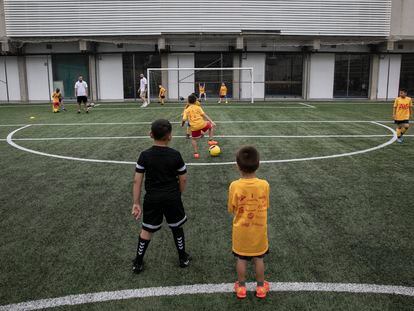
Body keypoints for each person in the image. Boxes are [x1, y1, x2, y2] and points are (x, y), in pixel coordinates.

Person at [131, 119, 191, 274]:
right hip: (172, 197)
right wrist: (178, 193)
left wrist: (136, 202)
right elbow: (183, 178)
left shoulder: (144, 155)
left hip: (152, 198)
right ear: (170, 136)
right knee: (176, 226)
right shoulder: (175, 155)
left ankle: (138, 262)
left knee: (147, 229)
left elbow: (137, 180)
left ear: (151, 134)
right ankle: (183, 258)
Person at [228, 146, 270, 299]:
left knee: (241, 258)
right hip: (259, 231)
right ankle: (260, 288)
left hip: (241, 232)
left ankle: (241, 287)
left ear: (238, 166)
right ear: (258, 164)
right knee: (259, 258)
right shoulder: (264, 184)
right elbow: (266, 205)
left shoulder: (235, 186)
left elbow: (231, 208)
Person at [181, 94, 218, 159]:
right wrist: (211, 121)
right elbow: (204, 115)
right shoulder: (198, 107)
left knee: (193, 139)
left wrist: (182, 124)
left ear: (188, 101)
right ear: (195, 101)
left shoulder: (186, 110)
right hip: (202, 124)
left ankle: (196, 153)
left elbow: (184, 119)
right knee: (211, 126)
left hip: (194, 127)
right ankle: (210, 140)